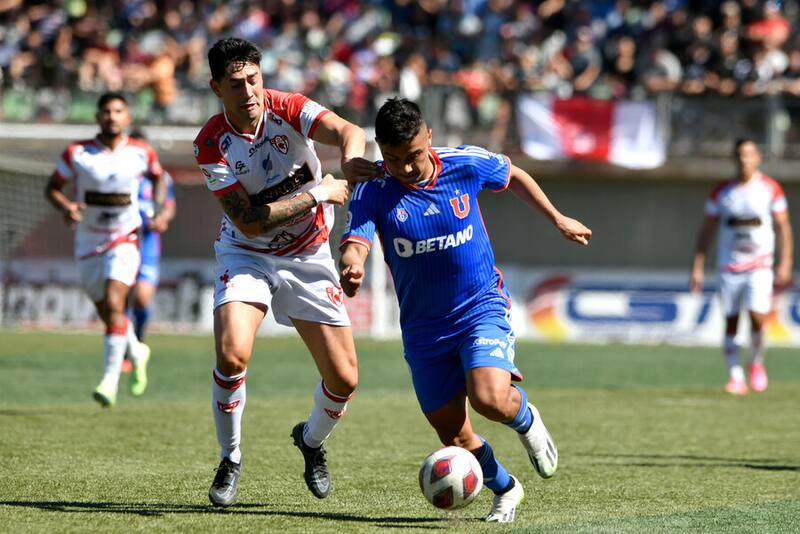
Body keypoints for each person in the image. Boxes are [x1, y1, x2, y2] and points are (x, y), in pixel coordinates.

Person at [339, 98, 592, 523]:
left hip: (480, 307)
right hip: (423, 331)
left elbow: (514, 176)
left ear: (429, 138)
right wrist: (351, 263)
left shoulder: (464, 164)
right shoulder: (374, 190)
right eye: (394, 158)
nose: (405, 167)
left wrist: (557, 218)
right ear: (380, 149)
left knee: (490, 399)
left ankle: (527, 420)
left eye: (414, 155)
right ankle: (506, 488)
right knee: (453, 434)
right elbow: (356, 240)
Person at [193, 37, 380, 508]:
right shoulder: (211, 144)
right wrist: (320, 193)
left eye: (254, 79)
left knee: (344, 380)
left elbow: (349, 130)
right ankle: (230, 457)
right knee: (232, 355)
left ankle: (311, 441)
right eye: (236, 84)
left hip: (310, 254)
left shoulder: (289, 107)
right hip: (246, 253)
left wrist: (350, 159)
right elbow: (249, 220)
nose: (249, 91)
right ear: (216, 87)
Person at [45, 92, 165, 407]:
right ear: (97, 117)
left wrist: (155, 207)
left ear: (127, 117)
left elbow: (159, 178)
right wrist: (68, 206)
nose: (112, 116)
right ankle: (137, 350)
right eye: (106, 111)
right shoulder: (77, 153)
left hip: (124, 237)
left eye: (118, 111)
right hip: (88, 240)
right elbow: (52, 187)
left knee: (115, 302)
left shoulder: (141, 152)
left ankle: (109, 381)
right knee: (107, 313)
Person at [690, 138, 793, 395]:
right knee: (731, 321)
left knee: (758, 319)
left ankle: (756, 363)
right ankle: (735, 375)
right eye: (739, 155)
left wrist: (786, 262)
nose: (744, 159)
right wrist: (697, 266)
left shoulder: (770, 189)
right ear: (734, 159)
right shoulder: (722, 192)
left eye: (749, 154)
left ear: (758, 158)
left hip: (760, 265)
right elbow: (707, 231)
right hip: (729, 267)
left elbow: (783, 228)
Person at [129, 129, 177, 344]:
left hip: (148, 245)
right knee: (118, 299)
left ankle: (137, 342)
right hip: (124, 242)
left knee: (141, 298)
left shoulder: (160, 177)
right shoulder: (123, 174)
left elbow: (168, 206)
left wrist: (163, 219)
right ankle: (121, 347)